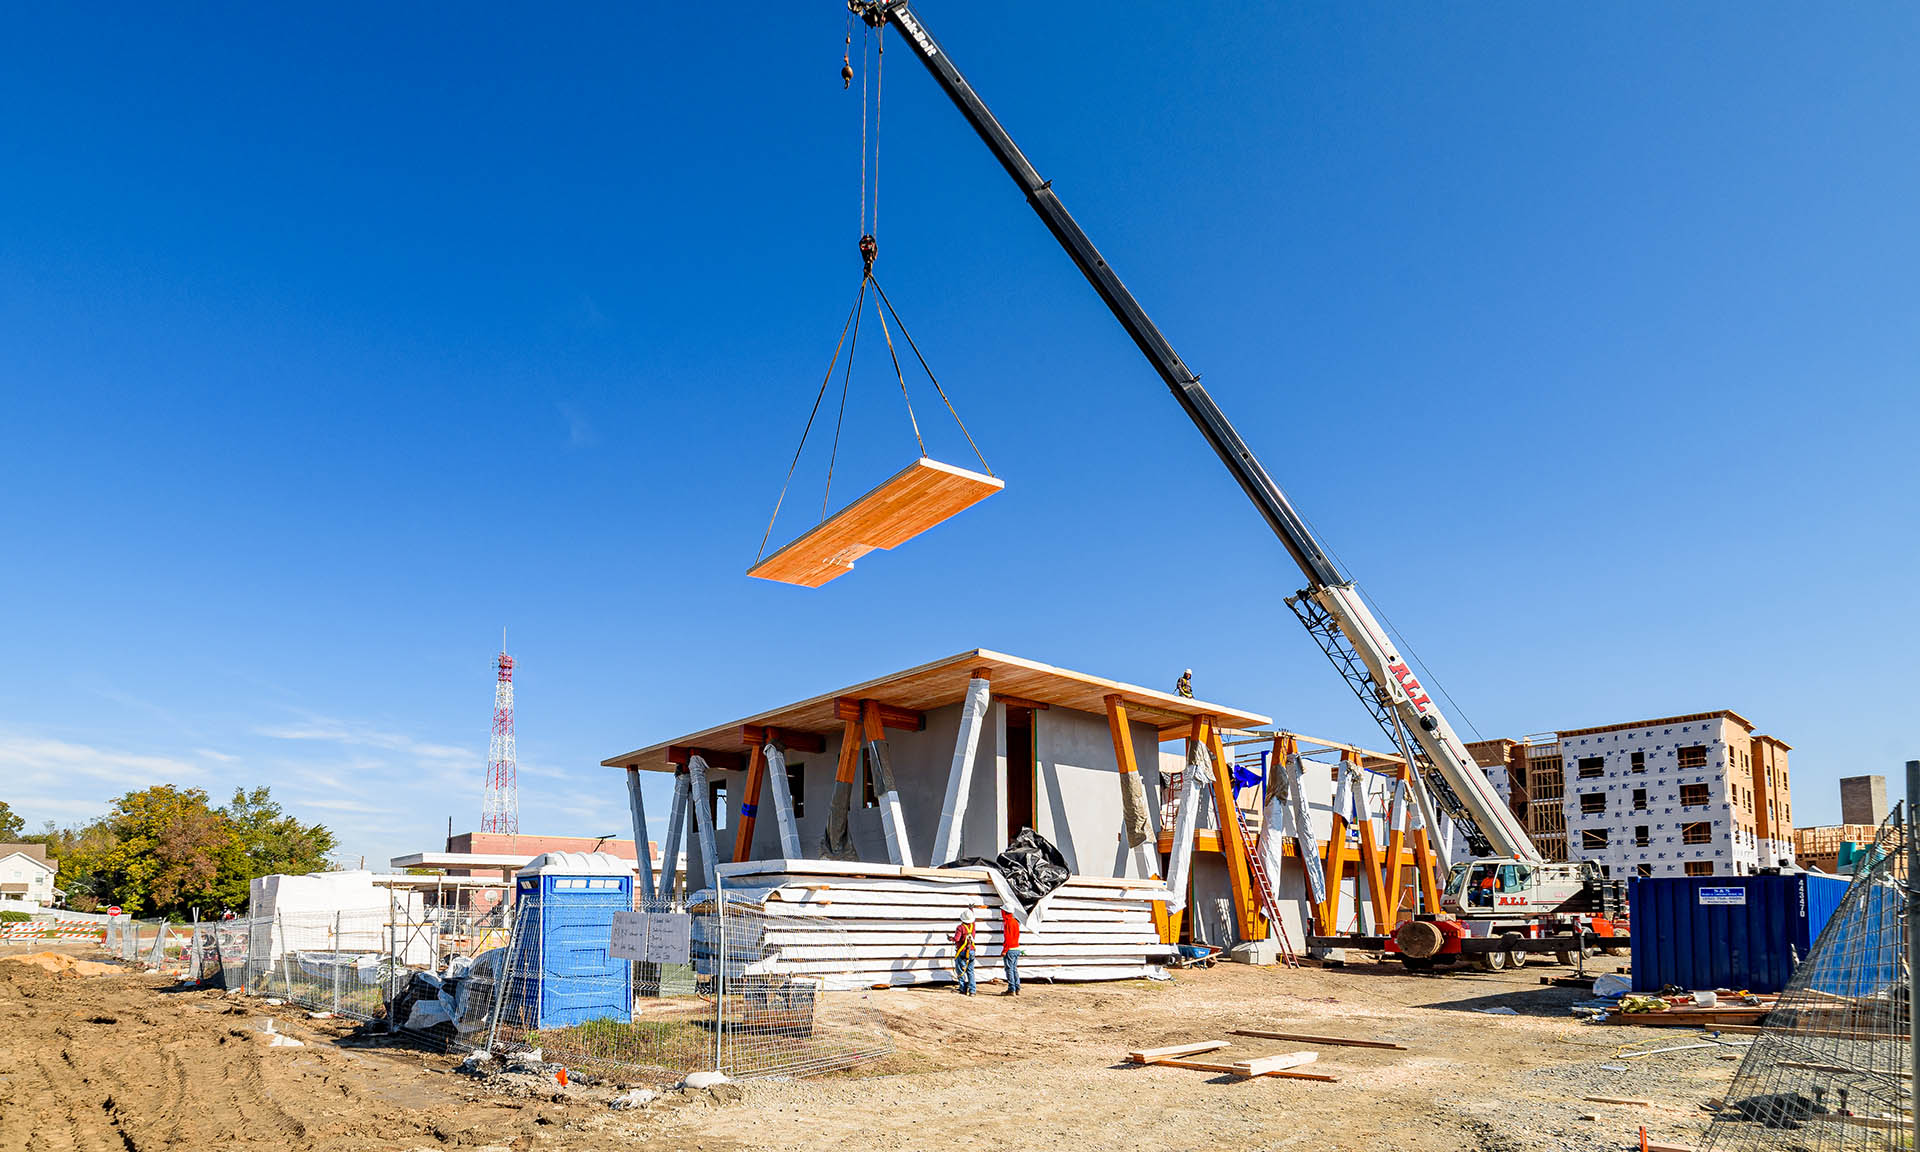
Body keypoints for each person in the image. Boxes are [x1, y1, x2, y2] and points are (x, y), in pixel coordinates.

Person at [949, 907, 977, 994]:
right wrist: (971, 910)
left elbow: (957, 939)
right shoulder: (973, 925)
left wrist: (951, 939)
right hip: (971, 951)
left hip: (962, 951)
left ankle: (963, 988)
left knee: (960, 971)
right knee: (970, 971)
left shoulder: (960, 927)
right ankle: (972, 990)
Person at [999, 908, 1022, 996]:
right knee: (1014, 969)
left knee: (1009, 970)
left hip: (1010, 949)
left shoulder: (1008, 922)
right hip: (1016, 948)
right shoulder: (1015, 922)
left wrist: (1005, 950)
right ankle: (1017, 988)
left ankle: (1011, 989)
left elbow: (1008, 938)